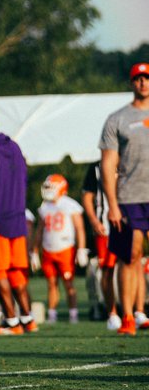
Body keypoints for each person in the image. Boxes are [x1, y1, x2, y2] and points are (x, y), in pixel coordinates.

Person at [100, 61, 149, 336]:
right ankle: (128, 315)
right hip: (130, 196)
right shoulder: (117, 118)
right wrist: (112, 205)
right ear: (131, 83)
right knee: (130, 256)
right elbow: (108, 164)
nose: (143, 82)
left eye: (147, 78)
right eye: (138, 78)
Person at [0, 110, 37, 335]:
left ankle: (12, 322)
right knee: (16, 273)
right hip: (18, 216)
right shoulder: (14, 146)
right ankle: (28, 319)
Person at [31, 174, 86, 324]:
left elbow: (80, 228)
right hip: (48, 249)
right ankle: (52, 314)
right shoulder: (44, 206)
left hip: (65, 249)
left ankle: (73, 314)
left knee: (68, 283)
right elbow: (39, 230)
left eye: (50, 187)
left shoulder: (70, 205)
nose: (47, 190)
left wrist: (81, 249)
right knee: (51, 283)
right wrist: (34, 251)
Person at [82, 158, 120, 329]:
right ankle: (112, 312)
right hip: (105, 225)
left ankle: (136, 311)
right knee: (107, 269)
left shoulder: (131, 160)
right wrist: (93, 221)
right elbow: (87, 196)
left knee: (132, 265)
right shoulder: (96, 167)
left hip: (130, 221)